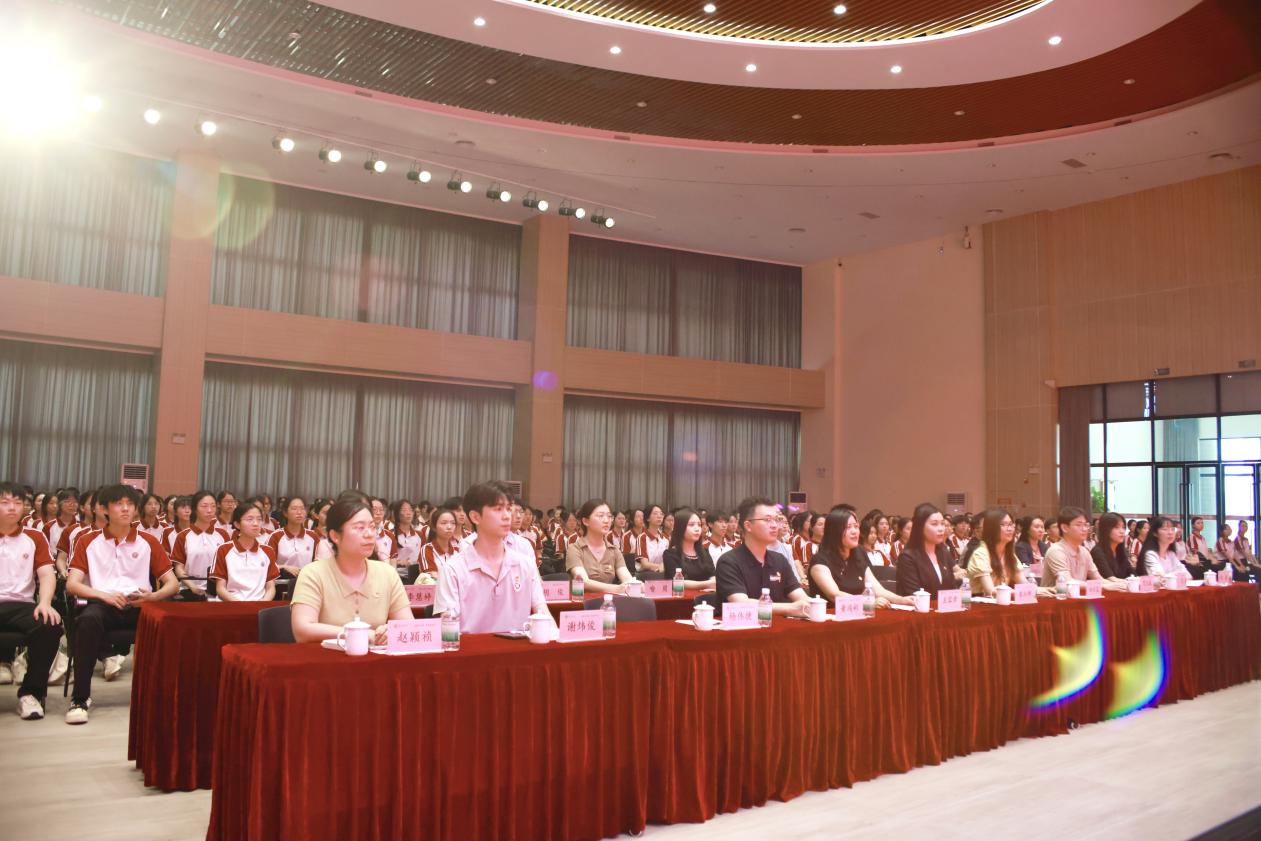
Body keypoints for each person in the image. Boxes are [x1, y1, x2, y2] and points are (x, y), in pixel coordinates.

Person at [65, 484, 179, 724]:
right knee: (87, 621)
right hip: (102, 603)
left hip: (139, 604)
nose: (126, 509)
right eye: (119, 504)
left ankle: (162, 695)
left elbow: (172, 583)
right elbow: (72, 584)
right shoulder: (88, 541)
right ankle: (80, 698)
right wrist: (102, 595)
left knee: (168, 622)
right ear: (104, 509)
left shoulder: (148, 541)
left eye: (130, 504)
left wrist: (153, 597)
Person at [290, 496, 412, 644]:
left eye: (372, 527)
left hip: (376, 656)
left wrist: (391, 630)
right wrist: (362, 634)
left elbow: (409, 626)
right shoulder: (313, 574)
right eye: (360, 528)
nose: (369, 534)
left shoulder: (387, 574)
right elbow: (302, 630)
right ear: (335, 536)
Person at [434, 482, 551, 634]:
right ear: (475, 517)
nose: (507, 516)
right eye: (498, 509)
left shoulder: (526, 564)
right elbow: (449, 632)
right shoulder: (452, 570)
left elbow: (543, 614)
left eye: (508, 508)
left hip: (518, 647)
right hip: (470, 648)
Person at [0, 482, 64, 720]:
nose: (12, 508)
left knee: (50, 625)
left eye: (17, 503)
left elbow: (46, 574)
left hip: (22, 605)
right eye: (5, 502)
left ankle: (31, 693)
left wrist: (45, 603)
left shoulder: (34, 536)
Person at [715, 497, 810, 615]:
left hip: (776, 624)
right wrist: (790, 608)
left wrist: (812, 604)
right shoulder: (728, 562)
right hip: (741, 625)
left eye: (777, 519)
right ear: (748, 526)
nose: (775, 525)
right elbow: (741, 603)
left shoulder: (779, 560)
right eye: (767, 520)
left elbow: (801, 597)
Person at [809, 508, 910, 607]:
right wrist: (868, 602)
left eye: (856, 526)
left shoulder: (858, 553)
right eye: (848, 527)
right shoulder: (820, 560)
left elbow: (877, 589)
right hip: (830, 615)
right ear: (834, 532)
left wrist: (903, 600)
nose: (854, 531)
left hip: (859, 614)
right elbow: (834, 595)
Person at [967, 508, 1054, 597]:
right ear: (991, 528)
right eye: (1004, 525)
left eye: (1011, 524)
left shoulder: (1009, 554)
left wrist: (1047, 589)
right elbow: (990, 591)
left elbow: (1023, 583)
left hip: (1003, 601)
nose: (1010, 529)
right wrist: (1025, 592)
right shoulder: (981, 553)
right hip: (980, 602)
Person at [1043, 507, 1126, 590]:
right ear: (1064, 528)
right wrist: (1103, 586)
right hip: (1053, 597)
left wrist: (1122, 583)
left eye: (1086, 525)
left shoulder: (1084, 551)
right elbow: (1067, 582)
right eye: (1079, 525)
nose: (1084, 529)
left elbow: (1098, 579)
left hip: (1077, 597)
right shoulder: (1056, 551)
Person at [211, 502, 279, 601]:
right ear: (237, 524)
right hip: (231, 604)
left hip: (259, 605)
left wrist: (263, 603)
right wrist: (240, 605)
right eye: (249, 519)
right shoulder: (223, 550)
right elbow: (220, 588)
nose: (255, 524)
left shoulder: (268, 551)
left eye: (259, 519)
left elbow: (270, 588)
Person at [566, 499, 634, 595]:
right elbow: (583, 582)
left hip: (609, 601)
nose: (606, 520)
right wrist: (617, 588)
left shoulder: (614, 550)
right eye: (600, 516)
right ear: (585, 521)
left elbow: (628, 580)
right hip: (583, 602)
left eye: (609, 516)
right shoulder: (575, 549)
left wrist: (642, 586)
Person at [170, 490, 230, 598]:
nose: (209, 510)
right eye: (204, 506)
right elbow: (179, 567)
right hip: (189, 589)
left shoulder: (223, 534)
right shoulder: (183, 536)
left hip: (219, 590)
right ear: (194, 509)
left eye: (213, 506)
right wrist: (192, 586)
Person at [895, 503, 956, 597]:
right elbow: (914, 595)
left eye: (942, 524)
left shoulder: (944, 552)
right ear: (920, 527)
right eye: (934, 524)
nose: (941, 529)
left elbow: (952, 587)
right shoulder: (907, 557)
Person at [661, 507, 716, 591]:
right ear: (680, 527)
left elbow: (712, 575)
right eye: (691, 525)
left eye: (699, 525)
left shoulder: (704, 552)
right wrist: (707, 584)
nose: (697, 529)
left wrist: (712, 582)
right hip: (681, 597)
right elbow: (678, 582)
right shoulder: (670, 554)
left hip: (707, 595)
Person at [267, 496, 317, 577]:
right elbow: (267, 565)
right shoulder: (275, 536)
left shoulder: (313, 536)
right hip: (281, 582)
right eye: (294, 509)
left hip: (307, 581)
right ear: (285, 513)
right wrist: (283, 567)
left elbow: (318, 564)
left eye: (302, 509)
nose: (299, 512)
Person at [1140, 516, 1191, 580]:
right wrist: (1177, 574)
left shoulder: (1171, 554)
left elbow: (1188, 576)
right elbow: (1160, 578)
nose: (1170, 532)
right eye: (1165, 529)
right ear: (1155, 533)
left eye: (1172, 529)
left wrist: (1169, 575)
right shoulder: (1150, 554)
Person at [414, 507, 457, 578]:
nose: (449, 527)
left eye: (453, 523)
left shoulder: (457, 550)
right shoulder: (427, 549)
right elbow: (432, 577)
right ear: (434, 527)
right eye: (444, 523)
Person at [1090, 512, 1135, 580]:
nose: (1122, 531)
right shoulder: (1097, 552)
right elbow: (1109, 578)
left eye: (1123, 527)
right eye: (1116, 527)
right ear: (1106, 530)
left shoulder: (1120, 550)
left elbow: (1132, 574)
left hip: (1122, 585)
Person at [633, 505, 669, 574]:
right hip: (646, 574)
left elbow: (668, 560)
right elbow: (645, 564)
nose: (659, 516)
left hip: (663, 574)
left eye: (661, 514)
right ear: (648, 518)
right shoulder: (642, 538)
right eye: (655, 513)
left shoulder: (666, 538)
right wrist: (661, 567)